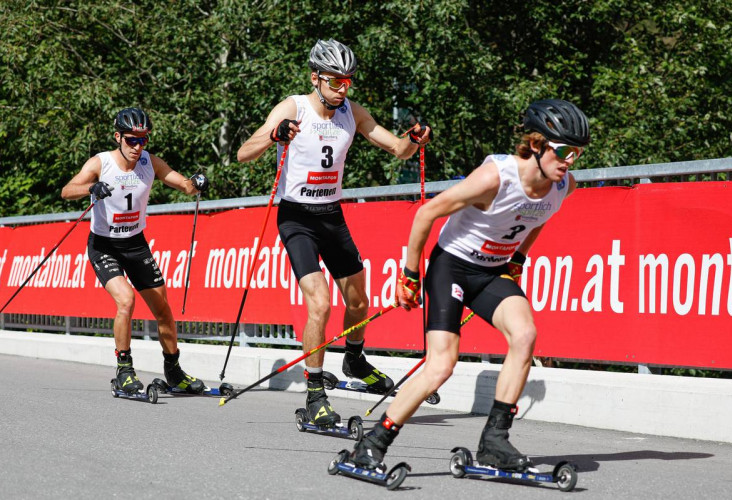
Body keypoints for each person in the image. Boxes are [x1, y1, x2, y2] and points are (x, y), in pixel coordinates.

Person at [349, 99, 589, 471]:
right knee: (441, 365)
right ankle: (374, 441)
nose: (570, 162)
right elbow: (427, 213)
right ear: (538, 144)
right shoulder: (495, 177)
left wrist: (519, 258)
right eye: (565, 152)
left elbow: (541, 215)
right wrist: (410, 274)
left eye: (578, 154)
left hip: (492, 272)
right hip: (453, 267)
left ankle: (495, 440)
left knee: (524, 334)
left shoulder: (562, 185)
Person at [237, 39, 432, 426]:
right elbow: (244, 152)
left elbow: (397, 149)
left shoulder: (352, 112)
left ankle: (355, 359)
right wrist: (274, 134)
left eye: (348, 81)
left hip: (332, 216)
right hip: (297, 218)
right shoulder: (293, 108)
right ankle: (314, 394)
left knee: (359, 301)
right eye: (335, 82)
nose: (343, 89)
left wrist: (414, 138)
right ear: (316, 78)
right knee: (320, 303)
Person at [61, 107, 210, 394]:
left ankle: (174, 371)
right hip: (104, 246)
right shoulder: (101, 163)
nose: (137, 146)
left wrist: (197, 182)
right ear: (118, 137)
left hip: (135, 244)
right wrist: (92, 187)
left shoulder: (150, 162)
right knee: (126, 301)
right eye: (131, 140)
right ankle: (124, 369)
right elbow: (67, 190)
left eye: (143, 140)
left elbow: (185, 185)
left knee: (163, 310)